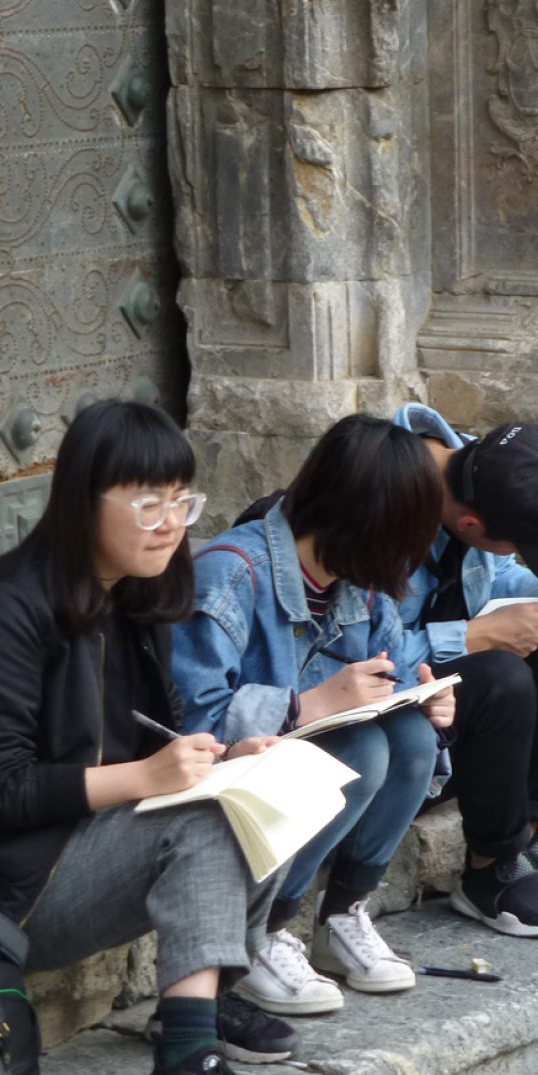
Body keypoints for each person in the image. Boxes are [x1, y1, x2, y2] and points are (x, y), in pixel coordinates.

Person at [0, 401, 293, 1075]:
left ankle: (204, 1008)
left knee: (259, 786)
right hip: (10, 891)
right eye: (146, 502)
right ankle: (183, 1066)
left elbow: (150, 739)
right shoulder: (2, 612)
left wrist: (213, 759)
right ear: (84, 500)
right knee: (203, 821)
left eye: (181, 501)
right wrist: (146, 777)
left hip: (87, 850)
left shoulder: (133, 598)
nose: (170, 522)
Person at [171, 416, 455, 1014]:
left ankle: (342, 913)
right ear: (360, 519)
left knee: (410, 737)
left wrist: (426, 693)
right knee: (363, 750)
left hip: (300, 767)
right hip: (225, 780)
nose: (409, 557)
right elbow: (192, 724)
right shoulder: (231, 574)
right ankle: (264, 930)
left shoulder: (361, 582)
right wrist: (313, 704)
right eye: (403, 535)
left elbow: (395, 664)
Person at [390, 405, 538, 938]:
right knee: (500, 673)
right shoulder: (375, 500)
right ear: (470, 524)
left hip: (452, 718)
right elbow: (357, 657)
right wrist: (475, 637)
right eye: (526, 546)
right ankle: (491, 870)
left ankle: (525, 836)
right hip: (389, 735)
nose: (527, 556)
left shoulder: (483, 466)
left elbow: (492, 574)